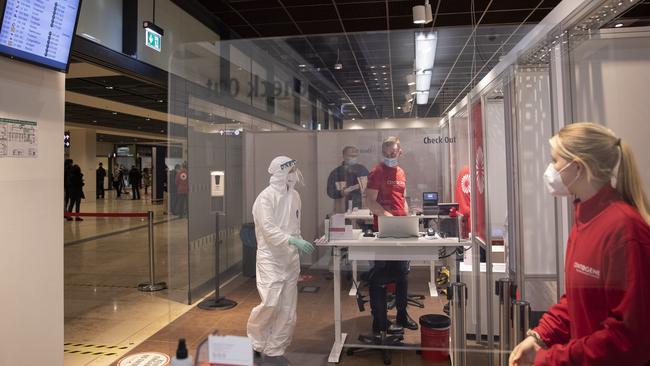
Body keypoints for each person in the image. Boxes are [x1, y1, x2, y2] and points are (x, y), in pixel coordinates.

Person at [509, 122, 650, 366]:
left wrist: (551, 359)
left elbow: (628, 340)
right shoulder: (584, 222)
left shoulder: (625, 231)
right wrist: (540, 335)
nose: (550, 169)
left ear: (578, 167)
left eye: (555, 161)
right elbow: (576, 301)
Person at [247, 156, 314, 365]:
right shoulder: (264, 198)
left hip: (290, 258)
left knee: (287, 308)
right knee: (270, 303)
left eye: (295, 169)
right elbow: (268, 229)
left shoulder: (295, 196)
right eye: (290, 170)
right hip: (271, 258)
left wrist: (299, 240)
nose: (294, 174)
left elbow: (295, 224)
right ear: (279, 172)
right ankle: (255, 345)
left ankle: (275, 350)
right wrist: (292, 240)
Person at [364, 136, 418, 334]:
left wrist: (407, 215)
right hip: (384, 230)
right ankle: (379, 319)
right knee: (381, 275)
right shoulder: (376, 172)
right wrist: (389, 218)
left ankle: (402, 315)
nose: (389, 157)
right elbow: (370, 201)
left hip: (401, 229)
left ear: (400, 152)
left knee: (402, 275)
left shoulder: (401, 172)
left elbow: (401, 198)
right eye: (386, 154)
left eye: (393, 154)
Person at [326, 145, 369, 213]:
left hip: (361, 209)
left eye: (355, 156)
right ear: (344, 156)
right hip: (342, 210)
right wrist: (340, 193)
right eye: (350, 156)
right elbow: (330, 191)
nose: (353, 158)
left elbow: (371, 187)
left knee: (360, 221)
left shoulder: (362, 170)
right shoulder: (336, 172)